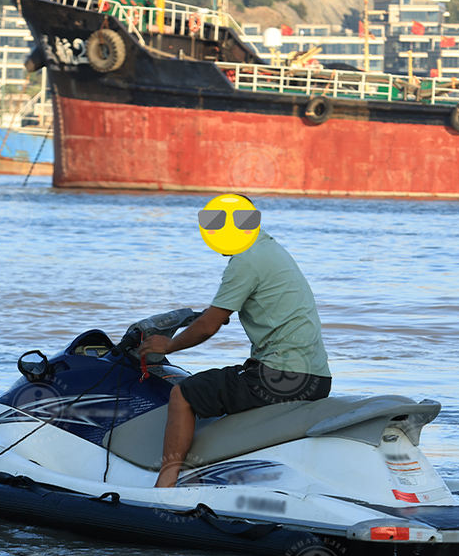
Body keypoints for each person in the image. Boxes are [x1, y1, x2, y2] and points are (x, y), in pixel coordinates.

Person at [138, 197, 331, 488]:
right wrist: (210, 316)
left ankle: (165, 483)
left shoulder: (245, 260)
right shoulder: (269, 249)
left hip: (279, 376)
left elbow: (208, 328)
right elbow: (223, 312)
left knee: (183, 394)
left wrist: (167, 346)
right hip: (316, 378)